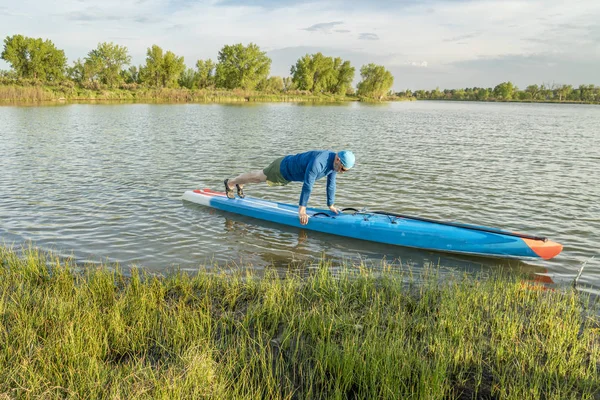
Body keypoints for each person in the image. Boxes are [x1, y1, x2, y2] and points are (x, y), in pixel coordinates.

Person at [224, 150, 355, 225]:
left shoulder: (333, 166)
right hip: (282, 169)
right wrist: (302, 210)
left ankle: (240, 184)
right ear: (338, 159)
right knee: (258, 177)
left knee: (257, 178)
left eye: (345, 171)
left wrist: (331, 205)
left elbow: (331, 184)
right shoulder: (318, 163)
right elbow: (308, 185)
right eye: (343, 169)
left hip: (289, 175)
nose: (342, 172)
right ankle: (231, 182)